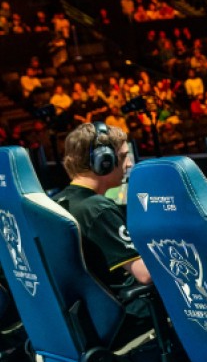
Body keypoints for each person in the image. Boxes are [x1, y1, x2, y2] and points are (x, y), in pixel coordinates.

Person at [52, 122, 154, 335]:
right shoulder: (97, 210)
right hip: (119, 318)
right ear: (103, 161)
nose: (129, 164)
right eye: (123, 156)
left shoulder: (58, 201)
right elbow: (145, 274)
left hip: (82, 320)